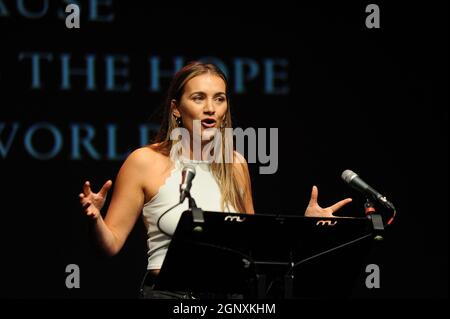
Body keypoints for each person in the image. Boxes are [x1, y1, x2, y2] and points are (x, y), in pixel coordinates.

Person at [78, 61, 352, 299]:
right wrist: (94, 220)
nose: (210, 108)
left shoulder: (235, 165)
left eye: (219, 99)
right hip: (170, 294)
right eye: (198, 98)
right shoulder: (144, 161)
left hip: (231, 298)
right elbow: (111, 244)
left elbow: (256, 248)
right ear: (176, 108)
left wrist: (306, 230)